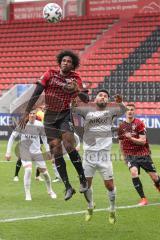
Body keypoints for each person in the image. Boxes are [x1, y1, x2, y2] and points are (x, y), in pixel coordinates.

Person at [19, 50, 89, 201]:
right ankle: (68, 187)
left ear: (73, 65)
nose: (66, 63)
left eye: (69, 61)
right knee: (56, 151)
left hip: (64, 114)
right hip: (49, 117)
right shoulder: (49, 73)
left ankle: (83, 179)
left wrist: (77, 89)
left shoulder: (75, 78)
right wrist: (26, 112)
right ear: (60, 62)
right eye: (64, 60)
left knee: (69, 144)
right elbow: (36, 93)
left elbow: (86, 98)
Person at [73, 89, 127, 223]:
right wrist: (73, 99)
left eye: (105, 96)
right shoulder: (87, 110)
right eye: (100, 95)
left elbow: (124, 110)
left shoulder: (111, 111)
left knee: (109, 185)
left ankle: (112, 209)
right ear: (95, 98)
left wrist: (120, 103)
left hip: (104, 156)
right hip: (88, 156)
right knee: (86, 185)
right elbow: (73, 108)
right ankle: (90, 205)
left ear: (108, 100)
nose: (103, 97)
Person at [5, 109, 57, 201]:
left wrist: (48, 151)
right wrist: (8, 152)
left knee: (45, 173)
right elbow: (12, 137)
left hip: (37, 152)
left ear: (36, 114)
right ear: (28, 115)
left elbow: (44, 138)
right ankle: (28, 194)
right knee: (28, 170)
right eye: (30, 113)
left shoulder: (39, 124)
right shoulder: (22, 124)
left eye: (34, 113)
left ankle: (50, 190)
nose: (32, 115)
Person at [118, 104, 160, 206]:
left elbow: (142, 141)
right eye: (128, 110)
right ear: (125, 112)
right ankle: (143, 199)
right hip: (130, 155)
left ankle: (158, 186)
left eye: (132, 110)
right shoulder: (121, 126)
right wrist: (124, 156)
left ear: (134, 111)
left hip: (143, 154)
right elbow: (120, 142)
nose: (130, 111)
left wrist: (131, 138)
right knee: (133, 172)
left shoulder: (139, 123)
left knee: (154, 177)